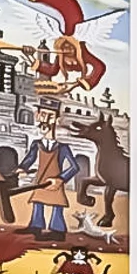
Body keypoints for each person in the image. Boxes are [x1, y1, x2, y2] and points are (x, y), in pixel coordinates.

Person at [18, 103, 82, 240]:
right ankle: (36, 227)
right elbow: (30, 158)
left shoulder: (63, 147)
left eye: (50, 116)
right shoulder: (36, 144)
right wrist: (22, 168)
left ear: (57, 120)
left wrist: (61, 179)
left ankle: (57, 231)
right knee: (38, 202)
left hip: (55, 182)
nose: (46, 119)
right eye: (43, 115)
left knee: (57, 204)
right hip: (41, 179)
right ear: (38, 116)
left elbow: (74, 167)